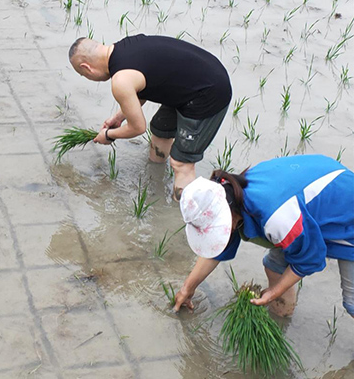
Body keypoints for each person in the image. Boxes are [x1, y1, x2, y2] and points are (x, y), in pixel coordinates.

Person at [172, 154, 354, 319]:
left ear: (229, 217)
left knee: (351, 303)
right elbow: (217, 250)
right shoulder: (232, 192)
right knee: (274, 267)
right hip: (314, 194)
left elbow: (310, 259)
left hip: (345, 211)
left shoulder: (276, 217)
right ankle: (281, 319)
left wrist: (274, 292)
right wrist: (188, 287)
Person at [68, 34, 232, 200]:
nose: (87, 78)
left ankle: (180, 216)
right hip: (199, 77)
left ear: (87, 67)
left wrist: (109, 136)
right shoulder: (126, 46)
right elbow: (146, 85)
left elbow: (138, 128)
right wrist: (119, 118)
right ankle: (156, 186)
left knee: (181, 163)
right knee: (161, 130)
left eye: (83, 75)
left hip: (209, 93)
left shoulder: (120, 80)